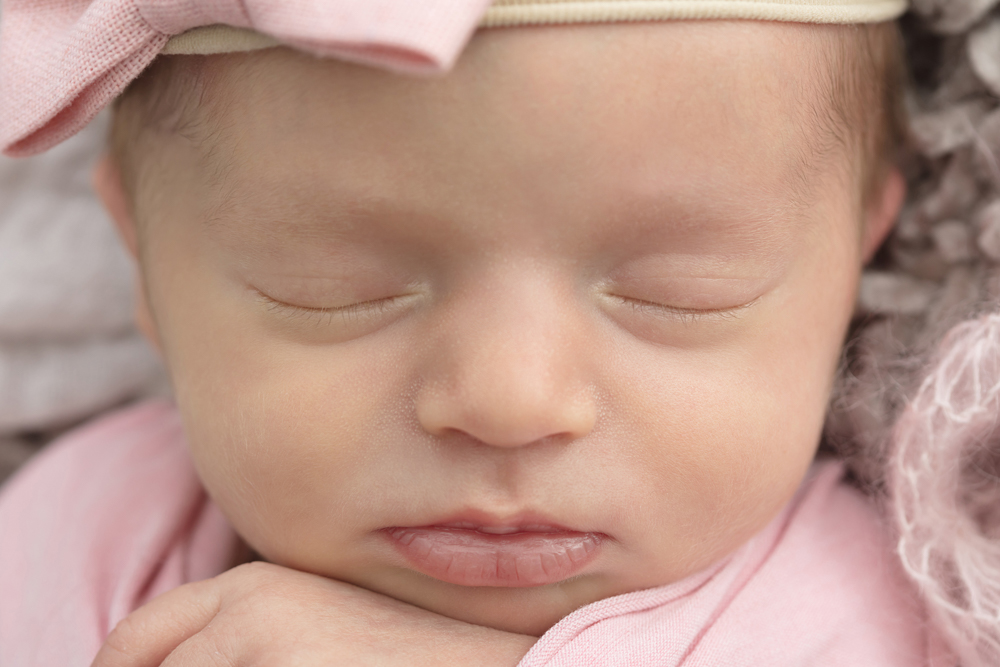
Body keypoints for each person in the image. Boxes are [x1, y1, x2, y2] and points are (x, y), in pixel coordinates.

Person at [0, 0, 978, 664]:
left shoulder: (889, 604)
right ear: (143, 256)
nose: (510, 401)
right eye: (334, 288)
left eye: (677, 291)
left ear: (855, 254)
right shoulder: (73, 530)